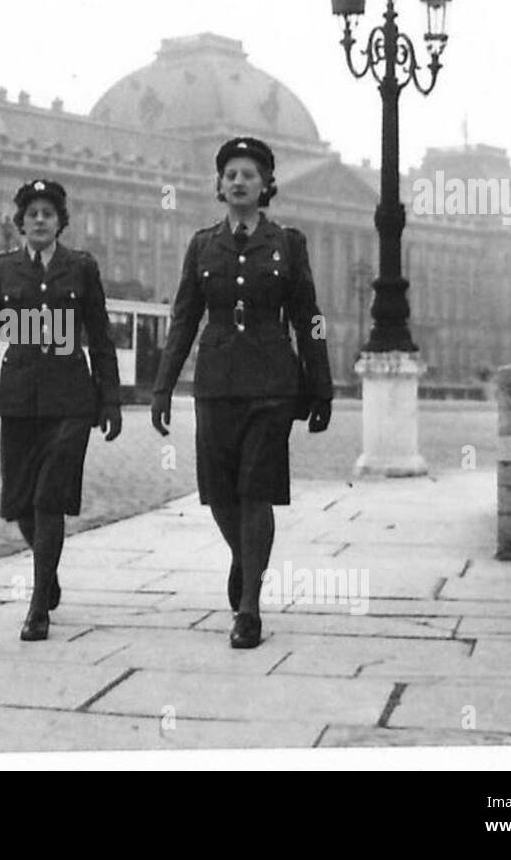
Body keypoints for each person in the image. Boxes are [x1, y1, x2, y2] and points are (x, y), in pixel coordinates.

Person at [152, 137, 333, 649]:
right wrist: (164, 385)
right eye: (230, 173)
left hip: (272, 382)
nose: (237, 181)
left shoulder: (287, 244)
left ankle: (249, 607)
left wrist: (321, 387)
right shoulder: (202, 244)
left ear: (266, 185)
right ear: (219, 185)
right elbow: (184, 318)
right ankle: (244, 558)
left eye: (248, 174)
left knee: (256, 490)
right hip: (216, 382)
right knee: (219, 495)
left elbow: (310, 319)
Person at [0, 179, 122, 641]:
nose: (41, 220)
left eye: (49, 213)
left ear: (61, 222)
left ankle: (37, 606)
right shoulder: (3, 270)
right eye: (33, 214)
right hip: (20, 399)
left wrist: (111, 400)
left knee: (49, 499)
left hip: (71, 400)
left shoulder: (81, 268)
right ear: (21, 224)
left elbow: (101, 338)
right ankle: (51, 573)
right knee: (19, 504)